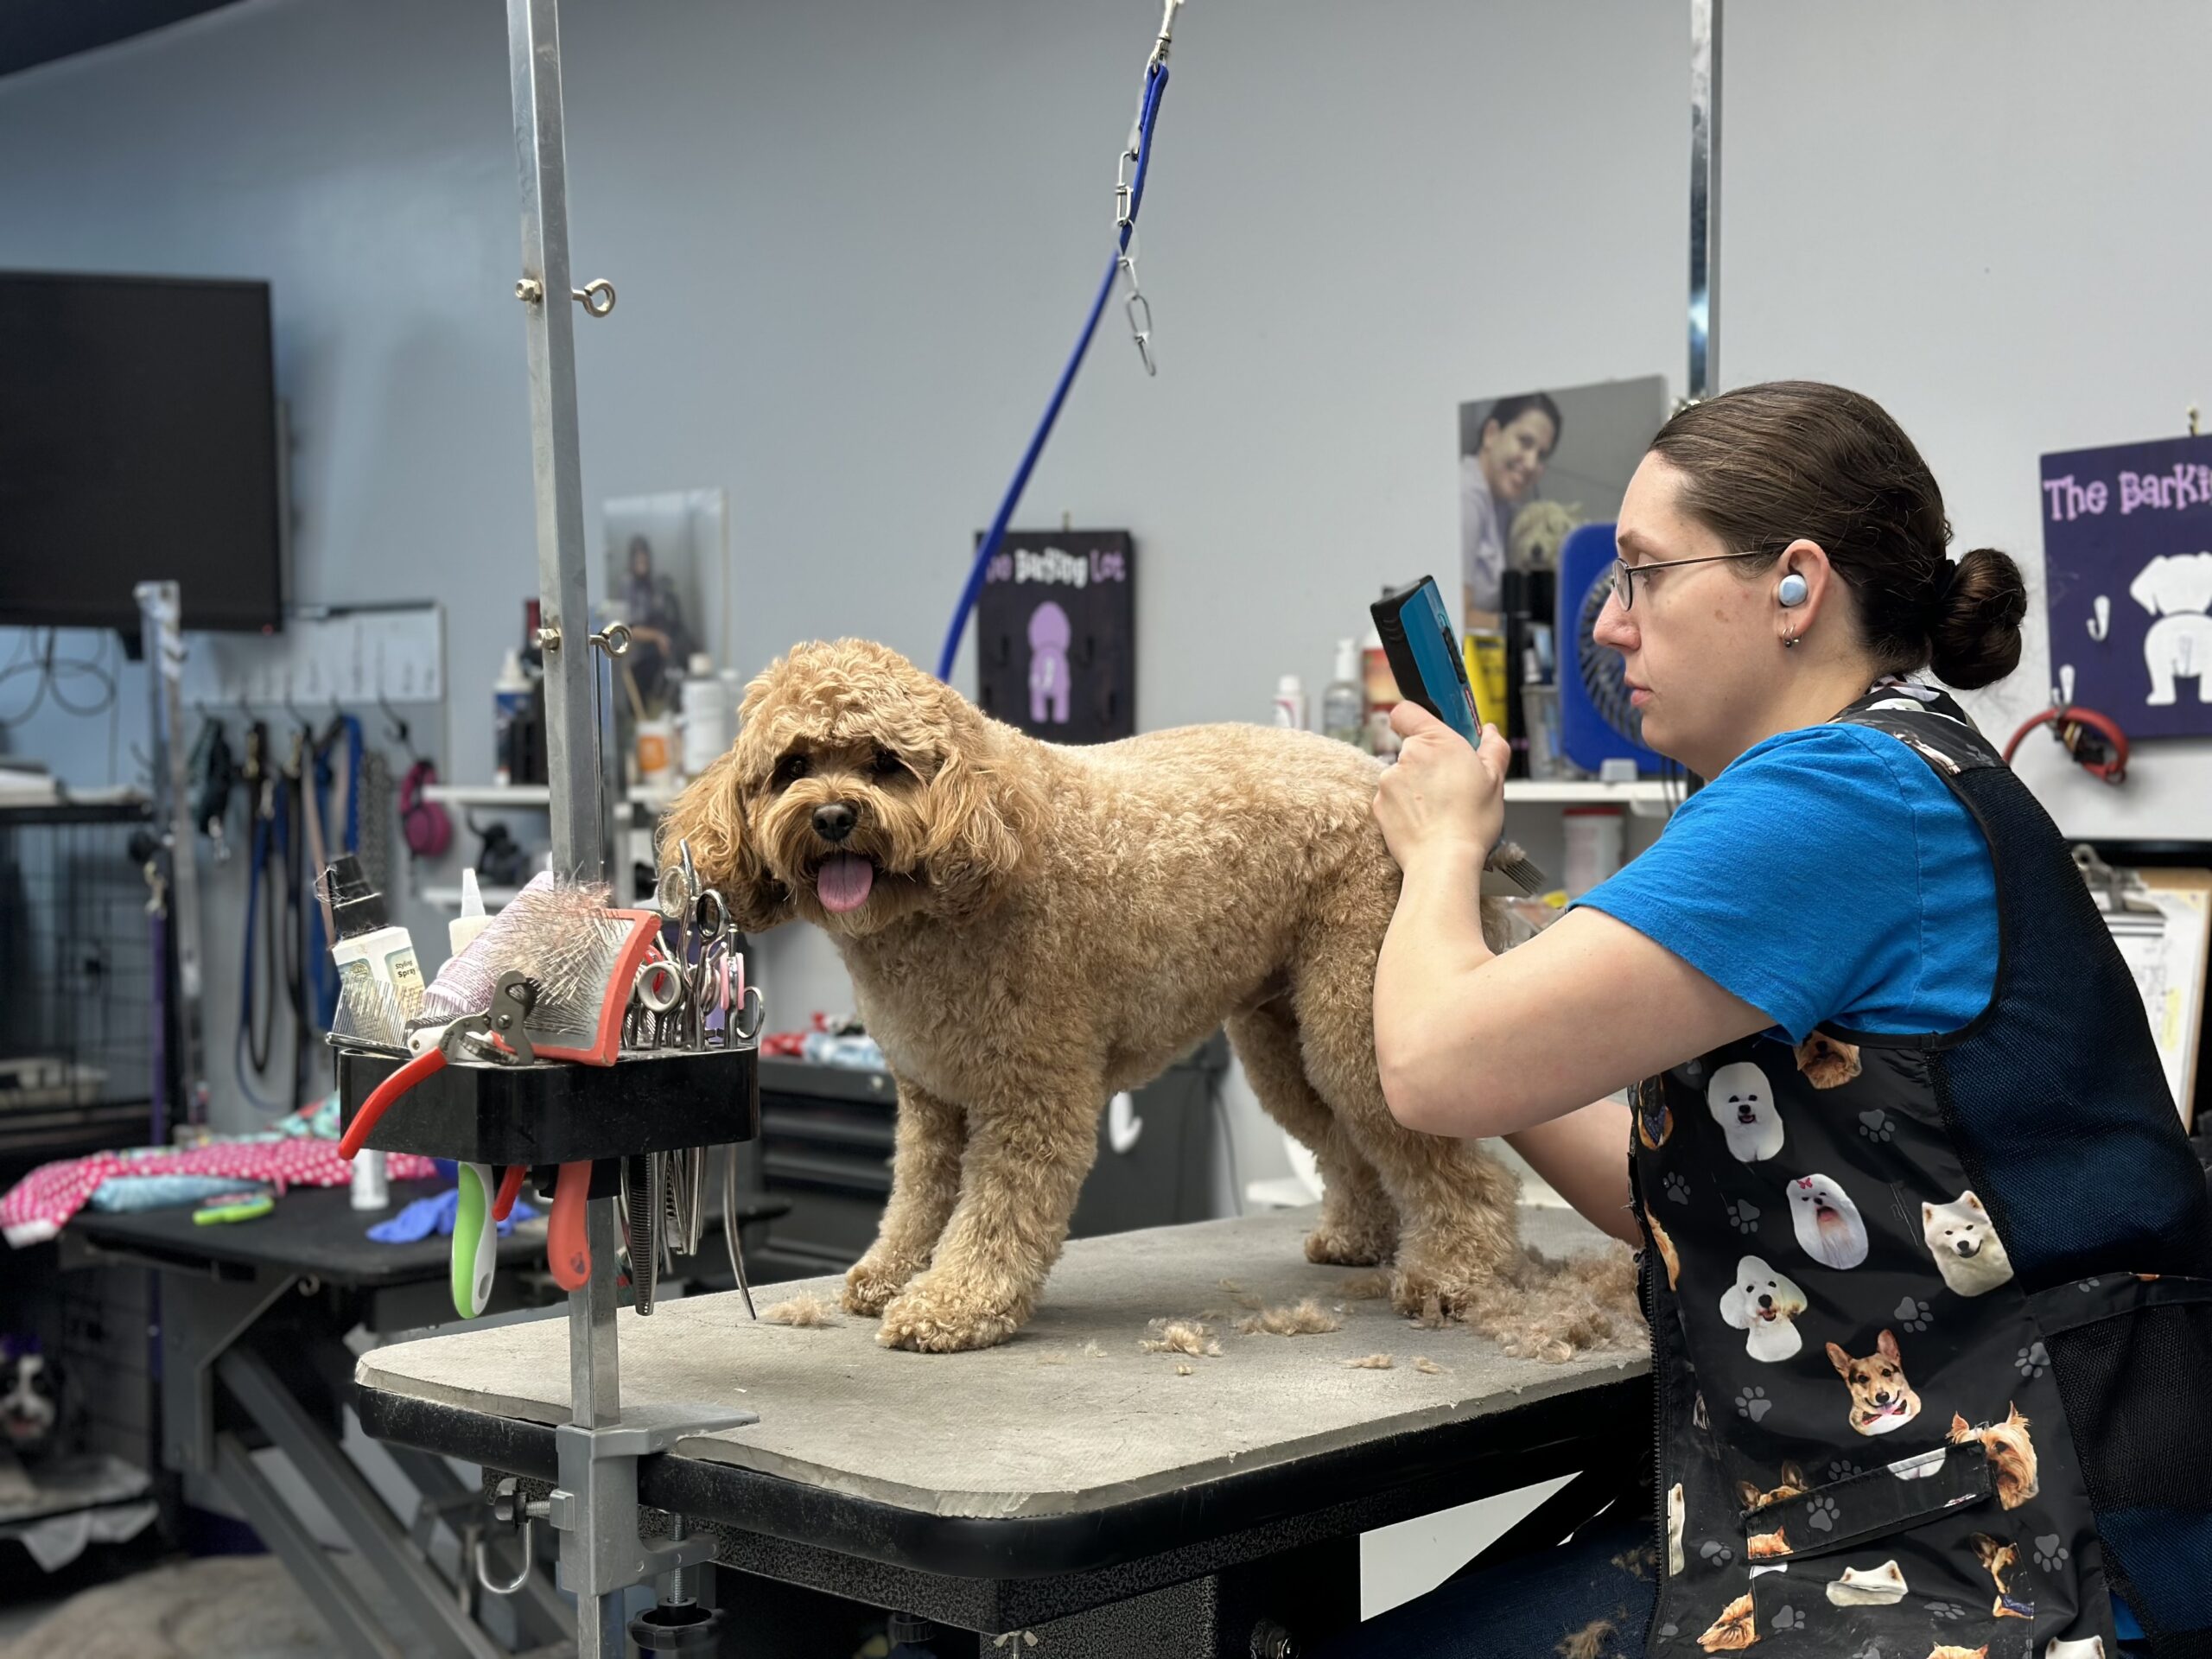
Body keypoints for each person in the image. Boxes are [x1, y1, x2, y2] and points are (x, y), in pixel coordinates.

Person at [1350, 382, 2212, 1659]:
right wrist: (1517, 1026)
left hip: (2025, 1556)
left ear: (1794, 586)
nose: (1613, 625)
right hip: (1890, 1511)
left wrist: (1435, 857)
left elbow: (1427, 1066)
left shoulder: (1839, 796)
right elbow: (1684, 1192)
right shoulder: (1873, 774)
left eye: (1642, 574)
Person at [1460, 391, 1562, 629]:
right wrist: (1531, 629)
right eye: (1525, 443)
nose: (1530, 463)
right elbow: (1457, 615)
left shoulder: (1505, 504)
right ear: (1491, 434)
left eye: (1541, 455)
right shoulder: (1467, 495)